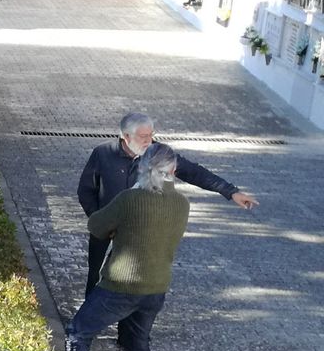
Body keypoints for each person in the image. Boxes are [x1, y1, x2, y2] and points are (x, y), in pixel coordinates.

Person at [66, 143, 189, 351]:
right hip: (156, 286)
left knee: (77, 332)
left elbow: (96, 226)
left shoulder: (130, 199)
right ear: (173, 170)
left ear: (142, 168)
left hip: (121, 286)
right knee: (138, 341)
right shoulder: (182, 204)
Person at [77, 111, 257, 294]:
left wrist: (231, 192)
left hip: (139, 231)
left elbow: (195, 172)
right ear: (126, 136)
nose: (148, 141)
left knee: (131, 280)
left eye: (151, 135)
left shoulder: (159, 155)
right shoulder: (103, 153)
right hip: (105, 227)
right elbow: (85, 190)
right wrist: (100, 220)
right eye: (143, 136)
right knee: (95, 274)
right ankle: (89, 310)